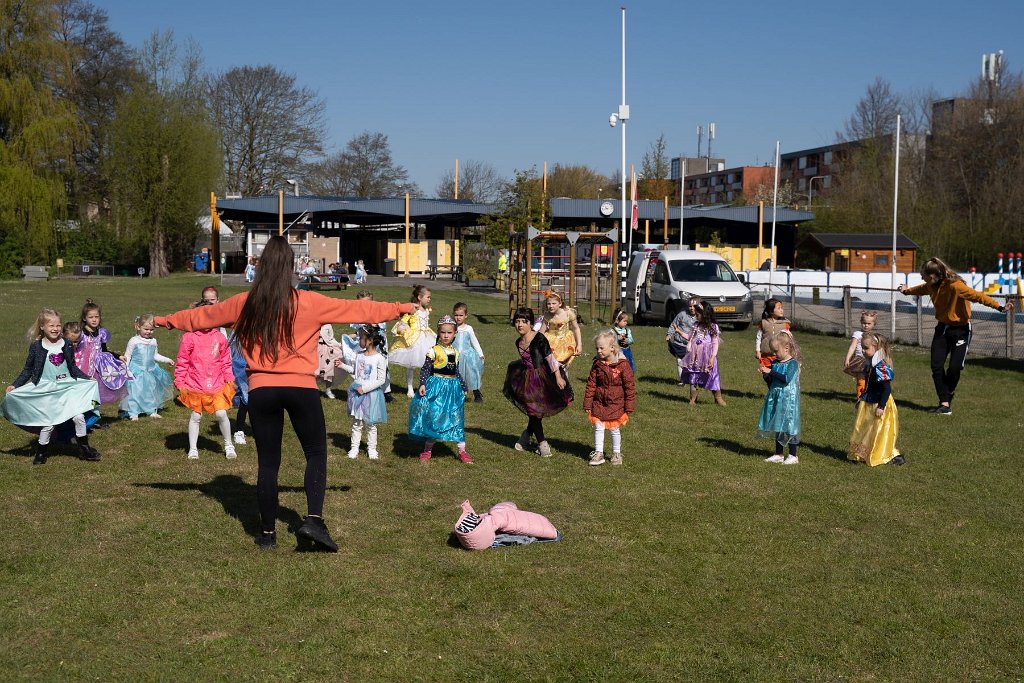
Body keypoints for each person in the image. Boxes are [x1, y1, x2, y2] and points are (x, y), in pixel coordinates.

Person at [155, 235, 413, 551]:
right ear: (292, 267)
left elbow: (199, 318)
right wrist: (400, 307)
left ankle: (267, 535)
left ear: (261, 267)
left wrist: (160, 321)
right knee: (316, 453)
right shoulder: (309, 301)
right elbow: (358, 308)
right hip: (301, 388)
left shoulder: (244, 303)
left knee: (268, 463)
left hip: (262, 391)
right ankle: (314, 521)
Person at [897, 256, 1015, 415]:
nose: (922, 278)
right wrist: (905, 291)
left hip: (961, 330)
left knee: (954, 367)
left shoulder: (956, 286)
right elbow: (918, 289)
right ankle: (944, 404)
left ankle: (948, 392)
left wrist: (1000, 307)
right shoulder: (931, 286)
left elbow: (979, 296)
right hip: (942, 329)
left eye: (923, 275)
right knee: (936, 366)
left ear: (933, 276)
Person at [2, 309, 101, 464]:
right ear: (42, 327)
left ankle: (84, 449)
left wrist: (87, 378)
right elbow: (28, 369)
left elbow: (72, 367)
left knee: (79, 417)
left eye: (58, 325)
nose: (55, 329)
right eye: (51, 326)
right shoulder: (36, 347)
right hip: (47, 389)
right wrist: (15, 385)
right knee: (48, 423)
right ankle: (41, 453)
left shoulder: (67, 344)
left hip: (67, 387)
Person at [503, 307, 573, 458]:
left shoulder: (539, 338)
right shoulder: (518, 342)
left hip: (543, 377)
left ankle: (526, 436)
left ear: (531, 323)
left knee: (535, 411)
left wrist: (558, 377)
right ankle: (542, 443)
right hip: (526, 378)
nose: (520, 325)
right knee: (532, 410)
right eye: (517, 321)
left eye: (524, 321)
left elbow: (549, 357)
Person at [174, 300, 235, 461]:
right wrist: (179, 380)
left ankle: (229, 444)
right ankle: (193, 448)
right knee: (196, 416)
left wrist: (229, 378)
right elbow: (183, 361)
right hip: (196, 384)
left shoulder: (220, 337)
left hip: (217, 384)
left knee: (222, 414)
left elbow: (225, 361)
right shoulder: (189, 337)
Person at [408, 315, 472, 463]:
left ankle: (462, 450)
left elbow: (455, 371)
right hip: (436, 388)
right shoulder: (433, 350)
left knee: (456, 417)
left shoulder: (455, 352)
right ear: (438, 333)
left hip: (453, 390)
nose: (446, 335)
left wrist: (463, 385)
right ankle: (427, 448)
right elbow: (426, 369)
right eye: (443, 332)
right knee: (435, 416)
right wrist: (423, 383)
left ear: (455, 333)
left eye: (449, 332)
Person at [848, 332, 904, 466]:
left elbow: (886, 388)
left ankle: (888, 455)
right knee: (867, 428)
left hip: (879, 403)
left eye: (866, 348)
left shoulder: (881, 367)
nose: (863, 350)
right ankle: (864, 453)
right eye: (862, 347)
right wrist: (862, 397)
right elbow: (868, 384)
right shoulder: (870, 364)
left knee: (880, 430)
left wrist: (881, 406)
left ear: (876, 348)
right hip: (869, 401)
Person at [336, 325, 388, 460]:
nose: (358, 340)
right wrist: (342, 366)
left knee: (371, 424)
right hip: (357, 394)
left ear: (369, 340)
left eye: (361, 337)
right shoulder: (359, 356)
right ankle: (354, 448)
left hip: (371, 395)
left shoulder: (379, 358)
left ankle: (372, 449)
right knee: (357, 423)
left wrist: (365, 389)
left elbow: (381, 380)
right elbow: (355, 370)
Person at [584, 330, 635, 466]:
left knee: (614, 429)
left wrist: (629, 405)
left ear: (612, 348)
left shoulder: (623, 365)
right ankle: (599, 453)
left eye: (602, 348)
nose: (599, 351)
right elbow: (591, 384)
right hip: (599, 403)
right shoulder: (597, 365)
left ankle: (616, 453)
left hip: (616, 403)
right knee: (599, 427)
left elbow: (629, 387)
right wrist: (588, 403)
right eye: (597, 348)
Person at [77, 299, 132, 408]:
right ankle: (83, 413)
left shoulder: (101, 333)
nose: (94, 320)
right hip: (84, 368)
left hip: (98, 370)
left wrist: (118, 356)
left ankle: (94, 414)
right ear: (84, 318)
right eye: (91, 317)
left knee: (97, 394)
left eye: (96, 317)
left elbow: (104, 350)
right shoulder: (81, 333)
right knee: (84, 392)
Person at [758, 332, 801, 465]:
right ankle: (779, 453)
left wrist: (770, 371)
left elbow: (786, 379)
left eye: (776, 351)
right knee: (778, 423)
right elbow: (772, 382)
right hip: (777, 397)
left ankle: (793, 455)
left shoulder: (792, 363)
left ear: (786, 348)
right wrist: (765, 375)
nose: (774, 355)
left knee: (789, 425)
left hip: (788, 399)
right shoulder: (775, 362)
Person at [121, 314, 174, 421]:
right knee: (135, 392)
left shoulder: (153, 341)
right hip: (136, 371)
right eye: (146, 329)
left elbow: (155, 355)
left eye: (151, 329)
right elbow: (127, 356)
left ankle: (150, 410)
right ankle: (133, 412)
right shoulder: (134, 341)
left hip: (150, 370)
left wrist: (167, 359)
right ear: (138, 327)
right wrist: (126, 370)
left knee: (150, 391)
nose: (148, 332)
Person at [389, 285, 435, 397]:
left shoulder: (426, 310)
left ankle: (425, 385)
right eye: (428, 297)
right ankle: (410, 388)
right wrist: (404, 328)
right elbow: (403, 321)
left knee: (429, 363)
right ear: (420, 297)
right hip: (414, 338)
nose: (429, 299)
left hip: (427, 337)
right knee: (411, 364)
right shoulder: (413, 310)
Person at [678, 300, 726, 406]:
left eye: (698, 314)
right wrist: (679, 332)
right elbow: (689, 337)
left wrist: (713, 357)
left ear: (704, 315)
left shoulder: (713, 327)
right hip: (695, 357)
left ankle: (718, 398)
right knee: (693, 376)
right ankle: (693, 399)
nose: (696, 315)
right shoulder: (696, 325)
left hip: (708, 357)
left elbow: (715, 343)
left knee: (712, 376)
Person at [538, 291, 583, 366]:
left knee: (564, 364)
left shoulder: (568, 313)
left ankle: (563, 375)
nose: (551, 306)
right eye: (549, 304)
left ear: (560, 304)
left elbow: (576, 328)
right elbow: (541, 331)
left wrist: (579, 344)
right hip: (551, 341)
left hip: (566, 341)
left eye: (554, 303)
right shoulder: (547, 315)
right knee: (552, 364)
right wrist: (536, 344)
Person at [452, 302, 485, 402]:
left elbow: (474, 342)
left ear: (466, 315)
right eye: (456, 315)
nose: (458, 318)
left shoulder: (468, 329)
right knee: (456, 375)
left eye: (461, 315)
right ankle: (456, 394)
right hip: (455, 356)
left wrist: (480, 354)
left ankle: (477, 393)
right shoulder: (452, 327)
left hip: (468, 356)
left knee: (471, 374)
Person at [843, 311, 877, 398]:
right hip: (859, 361)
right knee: (861, 380)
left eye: (869, 323)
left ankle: (868, 396)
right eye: (864, 323)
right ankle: (860, 399)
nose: (866, 325)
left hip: (871, 362)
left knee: (870, 380)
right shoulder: (857, 334)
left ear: (874, 324)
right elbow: (852, 347)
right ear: (861, 322)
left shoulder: (875, 337)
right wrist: (847, 358)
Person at [755, 298, 791, 370]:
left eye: (782, 308)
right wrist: (758, 351)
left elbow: (790, 339)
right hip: (765, 357)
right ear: (771, 311)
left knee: (776, 376)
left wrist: (791, 352)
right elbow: (758, 338)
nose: (781, 310)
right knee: (767, 376)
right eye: (779, 308)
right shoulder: (763, 323)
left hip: (779, 356)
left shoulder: (785, 324)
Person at [667, 297, 698, 378]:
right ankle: (682, 379)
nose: (692, 308)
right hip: (679, 342)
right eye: (690, 306)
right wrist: (669, 334)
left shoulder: (699, 317)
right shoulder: (682, 314)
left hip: (692, 345)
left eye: (694, 306)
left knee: (692, 362)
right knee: (679, 361)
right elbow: (674, 324)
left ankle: (693, 379)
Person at [316, 324, 344, 400]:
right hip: (316, 351)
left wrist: (339, 345)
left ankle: (328, 390)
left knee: (329, 371)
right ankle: (314, 389)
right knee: (315, 370)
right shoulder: (314, 323)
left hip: (327, 352)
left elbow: (331, 338)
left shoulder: (328, 326)